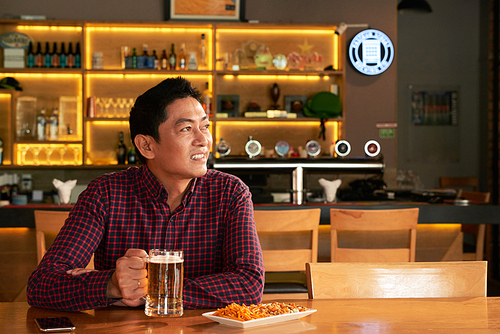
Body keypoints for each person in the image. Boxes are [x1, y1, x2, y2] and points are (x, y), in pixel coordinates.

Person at [27, 77, 265, 311]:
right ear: (146, 146)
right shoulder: (106, 194)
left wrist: (152, 289)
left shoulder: (230, 192)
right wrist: (111, 285)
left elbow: (249, 285)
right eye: (186, 128)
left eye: (204, 126)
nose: (203, 140)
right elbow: (42, 285)